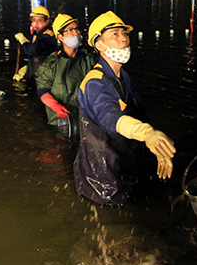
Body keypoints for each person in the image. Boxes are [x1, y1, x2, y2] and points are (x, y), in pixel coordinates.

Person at [73, 11, 175, 205]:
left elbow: (139, 113)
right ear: (99, 44)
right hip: (99, 175)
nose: (124, 39)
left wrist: (158, 149)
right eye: (115, 34)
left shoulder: (123, 77)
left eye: (124, 34)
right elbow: (110, 116)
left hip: (120, 161)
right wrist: (146, 133)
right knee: (111, 222)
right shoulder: (94, 83)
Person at [35, 14, 97, 132]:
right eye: (69, 30)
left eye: (76, 29)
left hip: (86, 118)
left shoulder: (89, 60)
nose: (75, 33)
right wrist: (56, 107)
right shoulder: (51, 63)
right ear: (60, 36)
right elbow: (42, 90)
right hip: (59, 120)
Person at [13, 6, 57, 83]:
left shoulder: (48, 37)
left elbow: (32, 50)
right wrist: (27, 69)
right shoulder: (35, 35)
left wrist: (23, 41)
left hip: (45, 77)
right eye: (34, 20)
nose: (36, 23)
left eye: (39, 20)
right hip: (35, 73)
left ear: (47, 21)